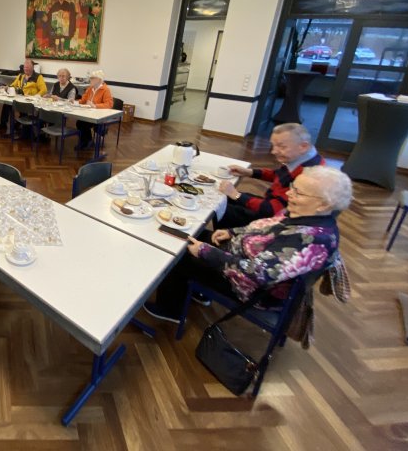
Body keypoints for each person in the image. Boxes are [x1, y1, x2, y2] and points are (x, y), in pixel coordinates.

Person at [144, 166, 352, 323]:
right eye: (293, 187)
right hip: (238, 255)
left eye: (299, 193)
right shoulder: (306, 215)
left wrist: (205, 251)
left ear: (324, 204)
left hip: (251, 289)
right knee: (188, 236)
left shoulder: (311, 241)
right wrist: (232, 232)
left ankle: (170, 310)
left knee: (178, 255)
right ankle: (197, 292)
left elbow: (257, 273)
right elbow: (264, 228)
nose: (289, 194)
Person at [216, 123, 325, 228]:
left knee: (219, 207)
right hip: (271, 203)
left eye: (282, 147)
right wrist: (249, 172)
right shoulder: (303, 158)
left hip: (275, 221)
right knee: (223, 197)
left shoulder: (307, 176)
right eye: (274, 146)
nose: (273, 151)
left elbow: (272, 210)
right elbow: (278, 175)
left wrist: (236, 195)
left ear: (303, 146)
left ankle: (224, 238)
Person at [0, 59, 47, 133]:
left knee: (22, 109)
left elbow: (44, 90)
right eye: (25, 67)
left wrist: (36, 96)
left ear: (32, 68)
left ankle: (22, 128)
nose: (26, 69)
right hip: (20, 98)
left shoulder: (38, 77)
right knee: (7, 104)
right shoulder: (21, 76)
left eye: (27, 68)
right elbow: (13, 85)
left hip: (30, 101)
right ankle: (3, 124)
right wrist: (7, 87)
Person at [75, 70, 113, 150]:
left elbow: (109, 104)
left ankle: (87, 141)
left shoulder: (105, 90)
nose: (90, 79)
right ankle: (85, 141)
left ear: (99, 79)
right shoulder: (90, 88)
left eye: (92, 78)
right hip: (89, 113)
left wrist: (95, 106)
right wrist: (75, 102)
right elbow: (83, 100)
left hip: (99, 115)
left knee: (82, 123)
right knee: (80, 122)